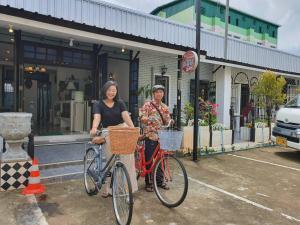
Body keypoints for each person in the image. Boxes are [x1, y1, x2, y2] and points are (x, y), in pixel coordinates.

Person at [90, 81, 138, 197]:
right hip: (108, 131)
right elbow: (97, 117)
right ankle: (109, 189)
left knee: (128, 158)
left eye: (114, 90)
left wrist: (132, 129)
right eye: (109, 90)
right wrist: (94, 128)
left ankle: (127, 187)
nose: (111, 92)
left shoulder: (120, 102)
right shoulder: (98, 104)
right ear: (105, 90)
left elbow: (126, 116)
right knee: (111, 161)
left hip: (122, 129)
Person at [139, 84, 172, 192]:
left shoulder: (165, 107)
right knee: (149, 159)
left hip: (163, 136)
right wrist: (146, 119)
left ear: (163, 94)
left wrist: (171, 121)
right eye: (157, 92)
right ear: (153, 94)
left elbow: (167, 120)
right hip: (151, 135)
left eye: (161, 92)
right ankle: (148, 182)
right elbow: (142, 117)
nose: (159, 94)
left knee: (162, 158)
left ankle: (159, 181)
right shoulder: (147, 105)